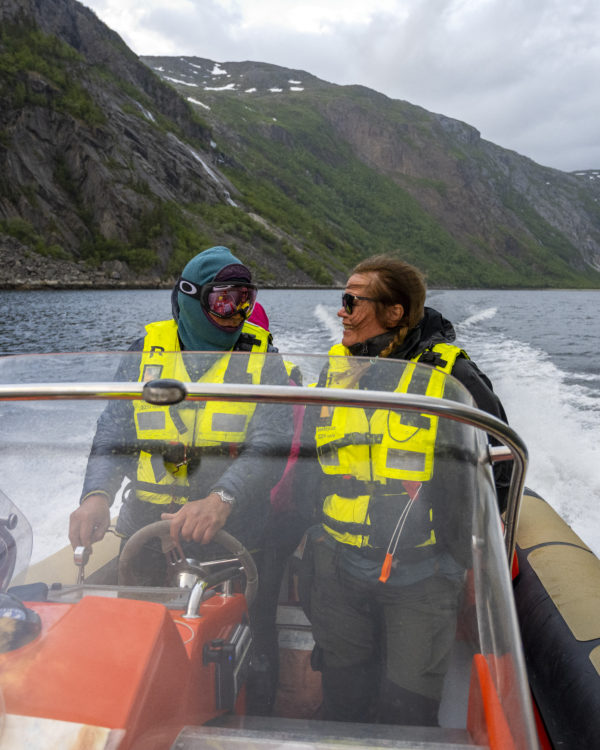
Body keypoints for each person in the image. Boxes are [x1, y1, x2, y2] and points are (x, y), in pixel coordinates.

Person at [294, 254, 510, 727]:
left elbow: (500, 459)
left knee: (408, 710)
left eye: (353, 301)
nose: (342, 312)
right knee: (342, 697)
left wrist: (481, 557)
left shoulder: (450, 376)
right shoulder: (334, 370)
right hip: (339, 566)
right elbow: (308, 461)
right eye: (341, 299)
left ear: (395, 313)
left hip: (424, 571)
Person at [68, 245, 292, 581]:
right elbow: (114, 431)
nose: (236, 313)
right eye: (224, 300)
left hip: (228, 532)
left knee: (232, 632)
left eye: (246, 300)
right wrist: (97, 494)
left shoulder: (265, 361)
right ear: (191, 298)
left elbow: (271, 442)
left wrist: (222, 497)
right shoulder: (144, 353)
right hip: (145, 529)